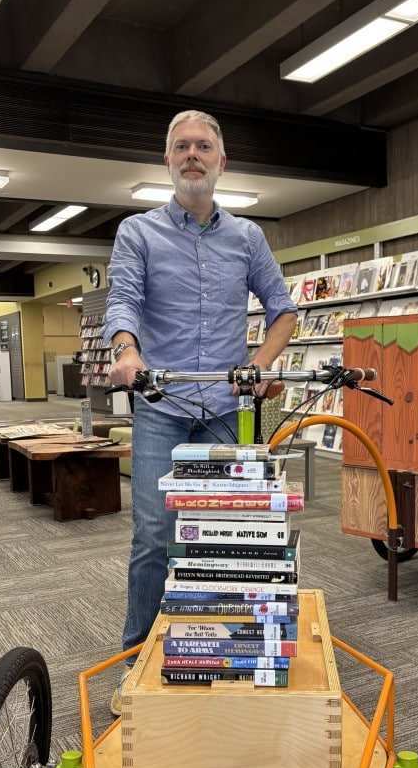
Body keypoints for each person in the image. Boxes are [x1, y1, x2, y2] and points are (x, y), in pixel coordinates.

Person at [104, 109, 298, 714]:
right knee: (156, 534)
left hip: (225, 406)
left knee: (224, 536)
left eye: (203, 147)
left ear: (220, 162)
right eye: (181, 147)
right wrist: (127, 352)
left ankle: (218, 646)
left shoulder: (248, 238)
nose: (192, 155)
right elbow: (123, 301)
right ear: (167, 161)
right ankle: (138, 655)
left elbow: (284, 310)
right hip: (162, 404)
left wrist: (262, 362)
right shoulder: (137, 232)